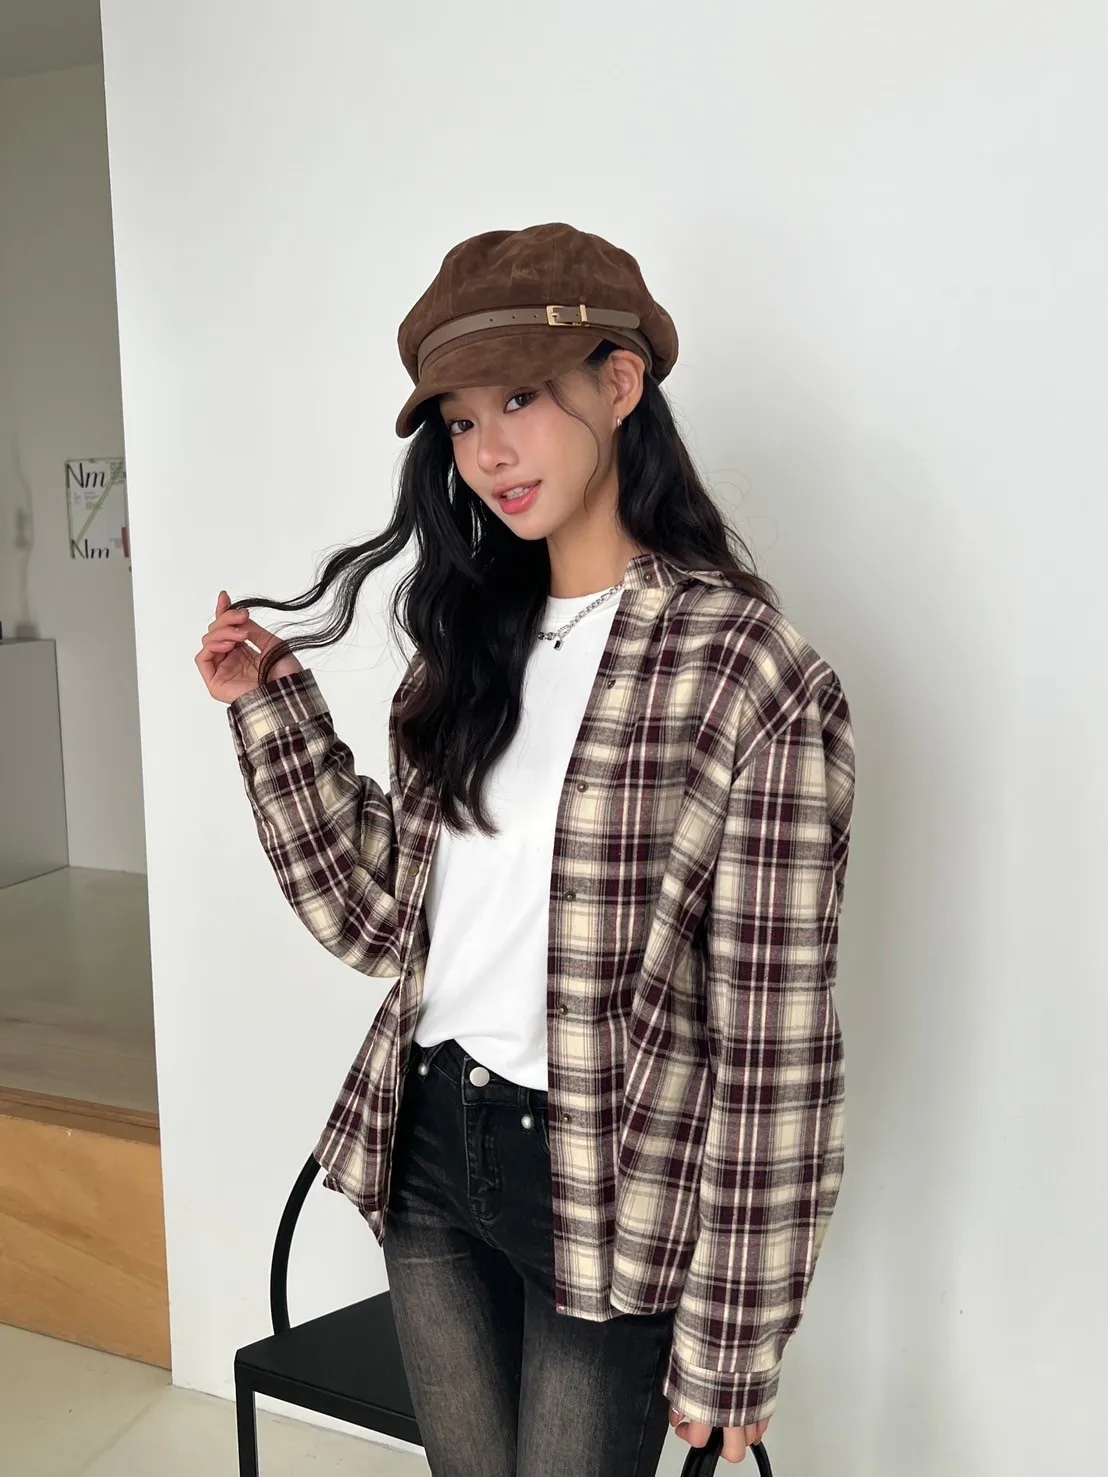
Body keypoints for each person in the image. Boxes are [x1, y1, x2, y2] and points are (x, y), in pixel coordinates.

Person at [194, 222, 856, 1476]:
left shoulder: (746, 674)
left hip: (605, 1185)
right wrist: (270, 710)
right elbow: (381, 921)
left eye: (518, 399)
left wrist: (736, 1337)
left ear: (620, 382)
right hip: (430, 1147)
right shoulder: (468, 648)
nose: (486, 450)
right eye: (457, 420)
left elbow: (775, 1041)